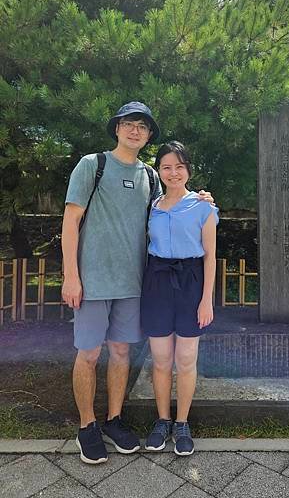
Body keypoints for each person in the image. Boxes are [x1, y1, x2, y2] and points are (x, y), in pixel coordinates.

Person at [61, 103, 212, 465]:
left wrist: (202, 199)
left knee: (122, 352)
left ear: (148, 136)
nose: (135, 131)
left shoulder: (149, 176)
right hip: (92, 281)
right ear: (117, 129)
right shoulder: (92, 165)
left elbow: (172, 206)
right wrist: (71, 274)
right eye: (128, 124)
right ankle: (87, 426)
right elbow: (70, 221)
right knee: (88, 353)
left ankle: (114, 420)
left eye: (142, 127)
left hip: (134, 283)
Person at [141, 141, 218, 456]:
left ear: (188, 170)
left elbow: (211, 257)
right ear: (159, 171)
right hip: (157, 282)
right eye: (166, 167)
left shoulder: (203, 206)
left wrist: (206, 300)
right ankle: (162, 419)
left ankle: (182, 423)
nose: (173, 173)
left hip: (191, 283)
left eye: (179, 166)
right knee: (160, 359)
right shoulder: (152, 206)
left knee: (186, 359)